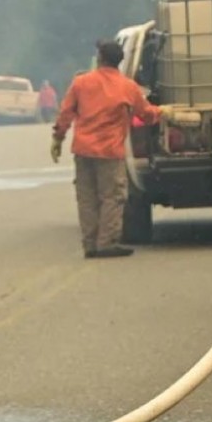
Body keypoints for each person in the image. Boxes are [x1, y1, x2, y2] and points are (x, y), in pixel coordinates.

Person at [52, 39, 160, 258]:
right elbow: (146, 114)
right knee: (111, 196)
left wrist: (58, 139)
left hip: (83, 150)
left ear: (100, 59)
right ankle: (107, 242)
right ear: (119, 61)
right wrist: (163, 112)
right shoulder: (127, 87)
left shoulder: (81, 83)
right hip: (110, 152)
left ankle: (90, 244)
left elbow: (66, 113)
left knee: (87, 197)